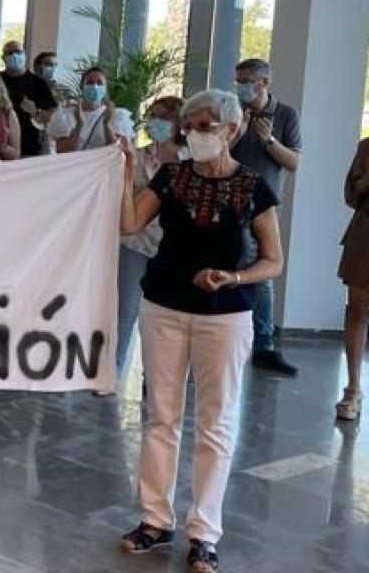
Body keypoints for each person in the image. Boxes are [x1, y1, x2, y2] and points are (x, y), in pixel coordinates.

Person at [118, 89, 283, 573]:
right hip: (164, 306)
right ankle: (153, 519)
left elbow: (272, 261)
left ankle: (204, 533)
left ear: (231, 130)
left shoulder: (254, 186)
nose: (194, 134)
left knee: (216, 423)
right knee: (160, 416)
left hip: (226, 315)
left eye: (205, 126)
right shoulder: (172, 176)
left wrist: (232, 277)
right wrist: (127, 169)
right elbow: (129, 223)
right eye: (190, 126)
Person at [230, 58, 302, 375]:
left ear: (264, 82)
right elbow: (215, 151)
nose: (242, 86)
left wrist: (268, 140)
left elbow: (294, 162)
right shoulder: (231, 109)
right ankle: (228, 333)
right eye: (238, 80)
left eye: (247, 80)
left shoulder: (285, 115)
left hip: (264, 206)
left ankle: (264, 344)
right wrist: (237, 133)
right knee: (227, 263)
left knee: (264, 272)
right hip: (228, 200)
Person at [116, 96, 189, 381]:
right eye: (153, 116)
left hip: (173, 245)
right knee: (126, 310)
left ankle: (156, 377)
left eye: (165, 117)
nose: (157, 122)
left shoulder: (191, 161)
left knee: (165, 315)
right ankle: (114, 371)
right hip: (136, 241)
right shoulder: (137, 157)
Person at [337, 137, 369, 421]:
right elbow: (350, 195)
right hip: (366, 234)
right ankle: (353, 387)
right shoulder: (367, 147)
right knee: (358, 308)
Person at [48, 67, 135, 152]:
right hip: (74, 166)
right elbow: (62, 151)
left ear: (105, 88)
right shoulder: (66, 115)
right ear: (82, 87)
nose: (95, 86)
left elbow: (118, 151)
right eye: (90, 82)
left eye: (99, 83)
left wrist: (106, 124)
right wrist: (79, 125)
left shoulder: (116, 115)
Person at [0, 40, 57, 157]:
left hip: (29, 148)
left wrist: (36, 111)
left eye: (18, 52)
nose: (14, 56)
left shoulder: (38, 83)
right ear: (3, 58)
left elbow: (52, 117)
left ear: (25, 55)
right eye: (9, 53)